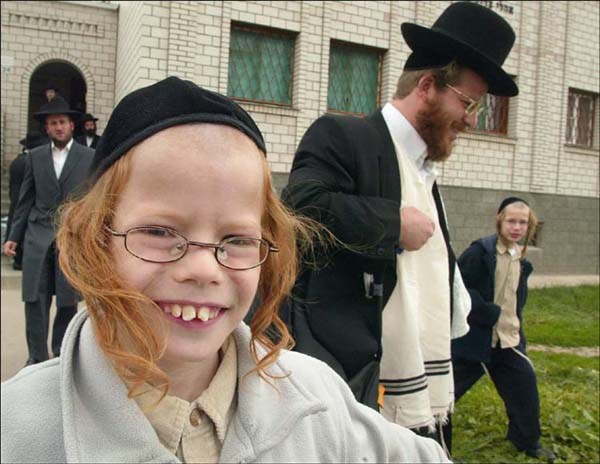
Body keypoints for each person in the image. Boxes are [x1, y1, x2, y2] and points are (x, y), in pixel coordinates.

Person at [0, 76, 449, 463]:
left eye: (236, 240)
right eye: (158, 231)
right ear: (98, 238)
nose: (202, 269)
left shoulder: (317, 399)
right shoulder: (16, 429)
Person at [281, 0, 519, 447]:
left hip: (424, 392)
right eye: (468, 103)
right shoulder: (345, 136)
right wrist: (392, 224)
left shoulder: (424, 168)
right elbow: (299, 209)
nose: (472, 120)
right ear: (428, 86)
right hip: (354, 384)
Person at [451, 198, 556, 462]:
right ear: (499, 220)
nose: (517, 227)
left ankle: (526, 441)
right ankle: (426, 438)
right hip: (474, 341)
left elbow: (515, 301)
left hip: (507, 341)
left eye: (523, 223)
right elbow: (456, 287)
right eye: (511, 221)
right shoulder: (480, 252)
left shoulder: (521, 259)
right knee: (444, 392)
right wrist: (484, 311)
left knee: (524, 389)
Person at [3, 96, 94, 366]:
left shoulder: (88, 157)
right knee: (34, 298)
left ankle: (60, 356)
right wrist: (13, 237)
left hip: (71, 237)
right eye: (53, 123)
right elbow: (25, 200)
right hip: (37, 234)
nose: (58, 127)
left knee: (67, 300)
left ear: (71, 125)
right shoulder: (35, 157)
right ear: (47, 128)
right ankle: (36, 358)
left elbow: (93, 199)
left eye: (62, 122)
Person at [4, 131, 48, 270]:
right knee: (23, 232)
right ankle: (20, 259)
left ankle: (17, 258)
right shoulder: (29, 161)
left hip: (16, 201)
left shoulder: (18, 160)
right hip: (24, 203)